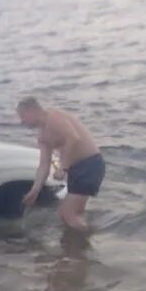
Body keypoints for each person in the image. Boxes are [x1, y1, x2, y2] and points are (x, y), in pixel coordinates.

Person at [17, 96, 105, 231]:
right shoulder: (42, 136)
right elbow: (44, 165)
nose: (21, 121)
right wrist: (35, 190)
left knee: (67, 213)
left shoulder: (54, 117)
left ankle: (83, 241)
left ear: (32, 111)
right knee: (73, 214)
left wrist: (63, 167)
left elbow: (73, 138)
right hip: (76, 169)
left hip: (90, 164)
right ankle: (78, 247)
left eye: (22, 116)